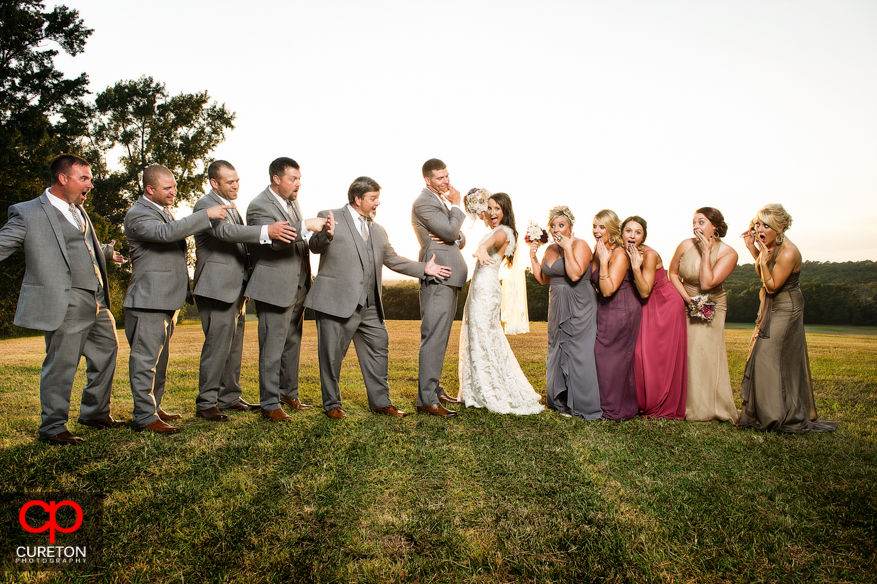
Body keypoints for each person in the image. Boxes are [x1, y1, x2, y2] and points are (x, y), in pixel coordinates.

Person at [0, 154, 124, 444]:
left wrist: (106, 252)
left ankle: (94, 413)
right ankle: (53, 427)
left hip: (96, 298)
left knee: (108, 350)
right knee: (62, 363)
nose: (90, 184)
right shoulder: (28, 212)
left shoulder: (78, 210)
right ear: (63, 178)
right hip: (64, 300)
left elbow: (81, 244)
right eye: (84, 178)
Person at [306, 177, 452, 419]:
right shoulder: (329, 215)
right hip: (335, 302)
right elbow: (315, 245)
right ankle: (332, 404)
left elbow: (392, 259)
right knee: (331, 357)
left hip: (370, 305)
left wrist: (423, 268)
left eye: (377, 198)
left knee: (378, 350)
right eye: (373, 198)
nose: (378, 203)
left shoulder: (378, 230)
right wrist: (327, 235)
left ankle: (381, 403)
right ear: (357, 199)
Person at [124, 164, 232, 434]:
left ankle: (154, 407)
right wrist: (205, 215)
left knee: (159, 363)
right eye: (167, 187)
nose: (174, 191)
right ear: (150, 189)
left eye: (174, 186)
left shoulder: (164, 212)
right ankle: (144, 417)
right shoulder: (138, 214)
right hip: (147, 300)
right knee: (145, 362)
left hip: (166, 300)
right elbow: (165, 234)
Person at [191, 160, 297, 421]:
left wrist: (249, 281)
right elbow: (226, 233)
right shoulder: (206, 205)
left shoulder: (230, 207)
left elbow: (241, 248)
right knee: (217, 346)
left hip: (235, 288)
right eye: (230, 181)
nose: (236, 185)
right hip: (216, 287)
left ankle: (229, 397)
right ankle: (206, 403)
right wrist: (266, 230)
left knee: (233, 346)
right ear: (215, 183)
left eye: (237, 180)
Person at [738, 205, 836, 433]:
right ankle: (767, 412)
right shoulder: (769, 245)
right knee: (767, 356)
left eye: (766, 226)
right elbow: (766, 273)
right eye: (757, 224)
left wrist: (761, 258)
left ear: (780, 228)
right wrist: (754, 250)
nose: (760, 229)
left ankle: (774, 417)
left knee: (767, 356)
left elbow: (771, 285)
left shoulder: (789, 251)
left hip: (786, 306)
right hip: (772, 304)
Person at [245, 157, 328, 422]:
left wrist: (325, 233)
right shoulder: (258, 206)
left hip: (300, 285)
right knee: (272, 348)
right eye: (293, 179)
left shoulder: (293, 203)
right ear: (276, 179)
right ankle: (270, 404)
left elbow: (304, 244)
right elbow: (275, 242)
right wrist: (305, 226)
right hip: (273, 287)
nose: (298, 184)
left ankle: (288, 394)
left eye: (300, 179)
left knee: (292, 344)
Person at [458, 192, 543, 415]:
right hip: (485, 287)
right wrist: (474, 207)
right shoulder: (503, 230)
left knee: (482, 336)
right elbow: (484, 225)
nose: (493, 212)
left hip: (485, 289)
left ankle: (488, 389)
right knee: (485, 335)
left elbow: (487, 244)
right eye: (491, 208)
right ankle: (478, 387)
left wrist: (482, 249)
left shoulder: (502, 232)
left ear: (505, 211)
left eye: (497, 208)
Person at [529, 206, 602, 419]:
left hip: (579, 302)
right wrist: (533, 256)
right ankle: (560, 401)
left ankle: (581, 403)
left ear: (571, 227)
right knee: (556, 349)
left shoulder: (581, 245)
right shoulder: (550, 249)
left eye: (561, 225)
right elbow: (543, 279)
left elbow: (575, 273)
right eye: (553, 226)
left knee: (578, 351)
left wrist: (568, 248)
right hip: (557, 302)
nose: (556, 230)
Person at [668, 207, 738, 423]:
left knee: (704, 354)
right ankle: (680, 403)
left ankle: (706, 407)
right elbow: (672, 273)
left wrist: (707, 252)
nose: (695, 226)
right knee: (685, 353)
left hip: (711, 305)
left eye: (701, 222)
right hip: (685, 301)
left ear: (714, 226)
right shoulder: (685, 245)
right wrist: (687, 300)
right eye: (694, 222)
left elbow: (707, 283)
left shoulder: (729, 253)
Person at [411, 158, 468, 417]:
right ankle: (426, 399)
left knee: (440, 338)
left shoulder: (439, 202)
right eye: (440, 178)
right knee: (433, 337)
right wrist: (456, 209)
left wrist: (452, 233)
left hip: (450, 277)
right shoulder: (424, 202)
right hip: (438, 277)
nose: (446, 181)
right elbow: (448, 232)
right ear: (428, 180)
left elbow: (457, 237)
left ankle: (434, 388)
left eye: (447, 176)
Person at [623, 216, 687, 419]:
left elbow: (644, 291)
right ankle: (643, 400)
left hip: (665, 304)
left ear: (644, 236)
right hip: (647, 305)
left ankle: (661, 403)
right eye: (628, 231)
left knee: (656, 355)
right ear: (621, 233)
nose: (632, 235)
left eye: (638, 232)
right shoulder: (624, 250)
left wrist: (635, 267)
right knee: (641, 353)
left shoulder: (648, 255)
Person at [589, 209, 640, 421]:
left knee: (612, 358)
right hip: (604, 308)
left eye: (602, 227)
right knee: (603, 356)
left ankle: (613, 408)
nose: (597, 231)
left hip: (622, 308)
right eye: (594, 226)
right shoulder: (599, 249)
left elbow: (609, 289)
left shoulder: (618, 253)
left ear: (611, 229)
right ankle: (604, 403)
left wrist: (602, 261)